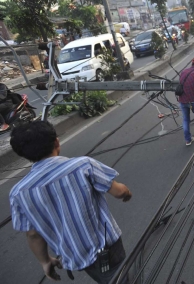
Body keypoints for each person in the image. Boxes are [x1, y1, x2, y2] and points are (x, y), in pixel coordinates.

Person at [9, 121, 132, 283]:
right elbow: (119, 191)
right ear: (56, 142)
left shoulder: (18, 193)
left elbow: (32, 234)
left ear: (23, 154)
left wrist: (45, 261)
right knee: (120, 277)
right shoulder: (82, 165)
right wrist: (127, 194)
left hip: (74, 255)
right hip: (106, 247)